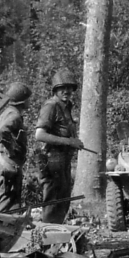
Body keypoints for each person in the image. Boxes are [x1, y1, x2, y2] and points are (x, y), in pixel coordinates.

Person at [35, 69, 84, 223]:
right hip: (51, 159)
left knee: (63, 200)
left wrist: (73, 142)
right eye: (62, 88)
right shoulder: (51, 106)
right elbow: (40, 135)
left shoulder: (67, 106)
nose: (66, 91)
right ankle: (47, 238)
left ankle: (56, 237)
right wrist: (69, 142)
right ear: (55, 90)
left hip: (63, 159)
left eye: (69, 88)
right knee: (53, 201)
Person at [0, 82, 32, 216]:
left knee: (11, 206)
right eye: (28, 99)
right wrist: (12, 148)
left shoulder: (9, 113)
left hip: (8, 165)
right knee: (5, 207)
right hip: (9, 166)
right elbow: (2, 131)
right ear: (22, 100)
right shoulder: (14, 116)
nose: (29, 102)